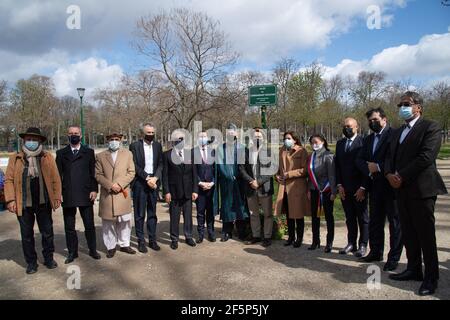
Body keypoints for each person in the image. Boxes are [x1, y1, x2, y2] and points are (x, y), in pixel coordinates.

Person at [385, 91, 447, 296]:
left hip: (422, 189)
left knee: (425, 235)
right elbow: (389, 157)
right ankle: (413, 269)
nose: (403, 107)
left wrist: (401, 175)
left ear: (418, 107)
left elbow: (426, 156)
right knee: (408, 232)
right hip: (400, 190)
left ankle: (431, 277)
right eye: (400, 104)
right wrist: (388, 174)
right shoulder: (397, 132)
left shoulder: (430, 127)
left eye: (407, 104)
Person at [4, 127, 61, 274]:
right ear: (24, 140)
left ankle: (48, 258)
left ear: (40, 141)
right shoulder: (15, 158)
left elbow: (55, 179)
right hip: (24, 204)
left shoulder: (47, 157)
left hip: (43, 202)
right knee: (27, 235)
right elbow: (8, 180)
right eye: (28, 139)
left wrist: (56, 196)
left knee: (47, 232)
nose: (31, 142)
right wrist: (10, 200)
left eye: (34, 139)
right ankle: (31, 262)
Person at [356, 108, 402, 271]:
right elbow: (360, 159)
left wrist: (380, 167)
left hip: (391, 186)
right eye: (370, 121)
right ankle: (376, 251)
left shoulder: (395, 135)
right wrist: (370, 170)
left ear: (384, 119)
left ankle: (394, 257)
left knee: (395, 223)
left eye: (375, 119)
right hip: (375, 186)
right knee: (375, 221)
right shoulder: (368, 139)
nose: (372, 123)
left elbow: (398, 159)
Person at [56, 125, 101, 264]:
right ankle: (72, 252)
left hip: (86, 193)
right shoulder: (61, 153)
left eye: (76, 133)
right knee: (69, 226)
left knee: (89, 224)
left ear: (81, 136)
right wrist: (59, 193)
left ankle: (92, 249)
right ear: (67, 135)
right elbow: (58, 175)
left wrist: (94, 189)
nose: (73, 135)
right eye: (71, 133)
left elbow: (93, 173)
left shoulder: (88, 152)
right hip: (68, 193)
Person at [95, 133, 136, 258]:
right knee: (108, 223)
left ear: (121, 141)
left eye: (116, 139)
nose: (114, 141)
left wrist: (120, 184)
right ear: (107, 141)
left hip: (122, 193)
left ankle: (124, 244)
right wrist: (110, 185)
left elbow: (131, 172)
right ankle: (111, 246)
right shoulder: (100, 156)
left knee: (124, 221)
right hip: (108, 194)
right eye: (111, 139)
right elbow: (98, 174)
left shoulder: (128, 154)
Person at [335, 118, 369, 258]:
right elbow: (337, 166)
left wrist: (363, 187)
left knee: (363, 217)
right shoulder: (340, 143)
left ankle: (363, 245)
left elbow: (367, 166)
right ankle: (351, 243)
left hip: (359, 188)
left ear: (357, 127)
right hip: (345, 188)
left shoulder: (364, 142)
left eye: (349, 126)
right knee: (349, 217)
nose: (346, 128)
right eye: (344, 126)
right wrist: (339, 185)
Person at [129, 123, 163, 253]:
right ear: (142, 133)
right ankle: (141, 241)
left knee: (152, 214)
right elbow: (134, 165)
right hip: (140, 183)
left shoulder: (158, 146)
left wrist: (155, 178)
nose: (150, 135)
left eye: (152, 132)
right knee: (139, 214)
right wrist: (146, 178)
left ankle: (152, 240)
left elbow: (160, 164)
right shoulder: (135, 146)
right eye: (148, 133)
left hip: (154, 183)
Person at [163, 131, 198, 250]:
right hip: (174, 191)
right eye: (177, 140)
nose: (180, 142)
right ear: (173, 141)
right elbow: (165, 175)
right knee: (174, 216)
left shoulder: (189, 154)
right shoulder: (167, 155)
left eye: (181, 140)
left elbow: (194, 174)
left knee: (188, 216)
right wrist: (166, 191)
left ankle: (188, 236)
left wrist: (195, 190)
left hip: (188, 191)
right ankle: (174, 238)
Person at [240, 128, 275, 247]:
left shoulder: (269, 151)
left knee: (267, 214)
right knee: (253, 213)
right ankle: (256, 235)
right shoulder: (246, 152)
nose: (257, 138)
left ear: (263, 138)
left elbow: (271, 169)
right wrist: (251, 181)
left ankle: (267, 236)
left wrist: (258, 182)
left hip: (264, 187)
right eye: (255, 137)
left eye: (259, 137)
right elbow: (241, 168)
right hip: (250, 187)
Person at [274, 131, 310, 248]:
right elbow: (278, 168)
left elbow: (305, 170)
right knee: (289, 214)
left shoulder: (302, 151)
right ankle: (291, 237)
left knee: (298, 214)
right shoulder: (282, 150)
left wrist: (289, 174)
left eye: (289, 138)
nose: (286, 140)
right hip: (284, 187)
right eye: (285, 138)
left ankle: (299, 238)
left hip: (297, 187)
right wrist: (277, 176)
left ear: (295, 140)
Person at [216, 123, 249, 242]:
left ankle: (241, 231)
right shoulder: (220, 148)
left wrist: (237, 175)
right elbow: (220, 165)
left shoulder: (242, 148)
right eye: (229, 132)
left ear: (236, 133)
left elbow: (243, 165)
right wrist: (229, 176)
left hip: (239, 182)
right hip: (227, 182)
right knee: (227, 206)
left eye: (233, 132)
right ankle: (226, 231)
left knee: (240, 206)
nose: (231, 134)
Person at [307, 134, 336, 253]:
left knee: (328, 217)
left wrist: (333, 191)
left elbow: (332, 175)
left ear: (323, 142)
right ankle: (315, 240)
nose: (314, 144)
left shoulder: (328, 156)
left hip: (326, 191)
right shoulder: (311, 156)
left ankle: (329, 242)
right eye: (312, 142)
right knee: (315, 216)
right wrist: (309, 189)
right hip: (314, 190)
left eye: (316, 142)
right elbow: (310, 175)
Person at [192, 131, 218, 243]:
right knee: (200, 212)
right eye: (200, 137)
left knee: (210, 211)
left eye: (204, 136)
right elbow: (192, 171)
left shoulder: (213, 152)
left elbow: (216, 170)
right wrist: (200, 183)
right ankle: (201, 234)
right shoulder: (193, 152)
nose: (202, 138)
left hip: (211, 187)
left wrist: (212, 182)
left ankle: (211, 233)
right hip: (200, 187)